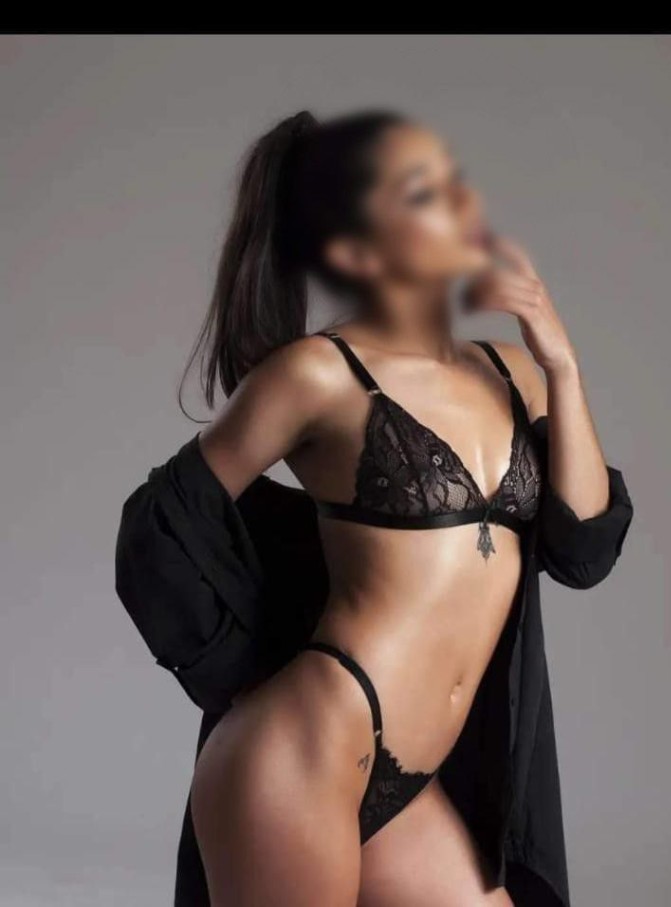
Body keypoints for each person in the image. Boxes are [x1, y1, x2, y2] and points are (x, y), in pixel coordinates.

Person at [116, 108, 634, 907]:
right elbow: (158, 528)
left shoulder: (515, 371)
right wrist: (244, 679)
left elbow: (585, 548)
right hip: (304, 751)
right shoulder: (318, 374)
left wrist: (561, 362)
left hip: (406, 780)